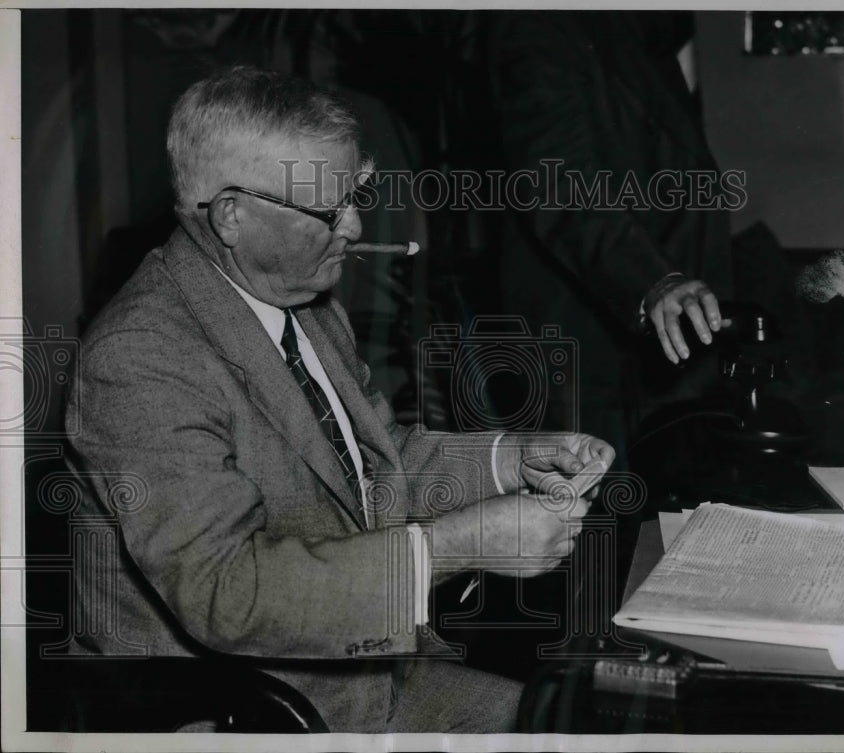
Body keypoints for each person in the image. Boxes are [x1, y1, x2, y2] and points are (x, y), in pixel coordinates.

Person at [64, 65, 614, 733]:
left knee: (579, 722)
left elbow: (375, 464)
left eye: (357, 194)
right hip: (240, 712)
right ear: (233, 215)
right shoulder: (140, 355)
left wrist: (508, 459)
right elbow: (226, 591)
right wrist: (452, 548)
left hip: (355, 677)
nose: (354, 226)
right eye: (329, 209)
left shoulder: (307, 307)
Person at [487, 10, 735, 450]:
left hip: (671, 350)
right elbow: (556, 182)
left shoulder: (644, 26)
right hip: (594, 347)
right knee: (592, 513)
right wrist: (653, 282)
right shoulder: (542, 21)